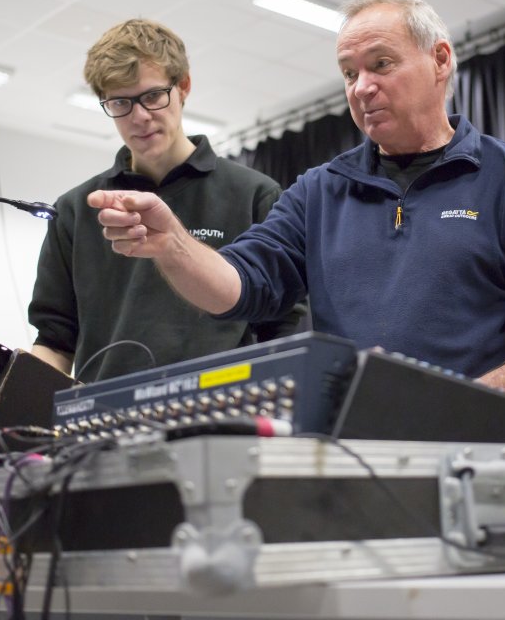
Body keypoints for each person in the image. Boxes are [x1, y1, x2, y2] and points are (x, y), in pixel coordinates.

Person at [88, 0, 505, 394]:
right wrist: (172, 244)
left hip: (482, 452)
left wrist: (470, 402)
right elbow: (239, 285)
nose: (363, 87)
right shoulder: (319, 192)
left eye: (381, 64)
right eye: (349, 74)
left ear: (440, 60)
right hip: (355, 455)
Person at [28, 19, 302, 382]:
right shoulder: (76, 210)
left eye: (153, 96)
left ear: (183, 87)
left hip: (219, 416)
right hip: (103, 423)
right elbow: (54, 340)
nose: (140, 117)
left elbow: (286, 327)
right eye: (121, 102)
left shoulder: (254, 195)